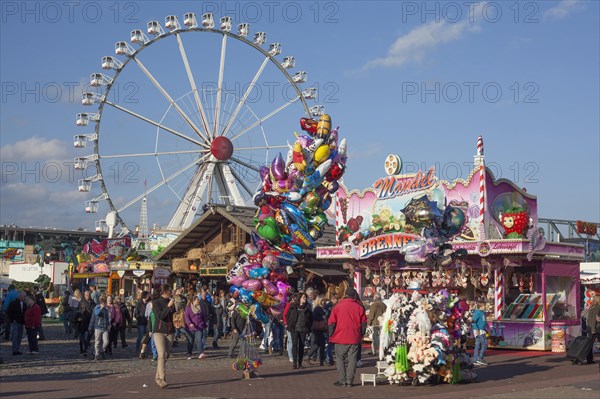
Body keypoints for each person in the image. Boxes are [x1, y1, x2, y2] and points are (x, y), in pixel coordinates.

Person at [328, 287, 367, 387]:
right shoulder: (359, 307)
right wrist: (361, 334)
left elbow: (331, 322)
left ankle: (342, 380)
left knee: (340, 359)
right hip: (354, 337)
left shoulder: (338, 306)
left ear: (345, 294)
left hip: (340, 336)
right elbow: (363, 323)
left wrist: (331, 334)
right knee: (352, 359)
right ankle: (349, 381)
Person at [152, 284, 176, 389]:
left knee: (165, 355)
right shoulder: (156, 302)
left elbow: (175, 315)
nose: (171, 292)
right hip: (159, 331)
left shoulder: (172, 301)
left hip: (170, 331)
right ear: (164, 291)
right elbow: (161, 316)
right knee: (161, 354)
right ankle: (162, 379)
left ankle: (157, 377)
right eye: (170, 290)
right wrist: (168, 306)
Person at [287, 292, 313, 369]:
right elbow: (287, 315)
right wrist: (289, 323)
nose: (305, 299)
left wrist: (309, 325)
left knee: (301, 345)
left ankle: (300, 362)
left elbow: (311, 318)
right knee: (294, 345)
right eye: (303, 297)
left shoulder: (308, 306)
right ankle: (294, 363)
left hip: (303, 328)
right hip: (294, 328)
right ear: (300, 298)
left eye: (305, 297)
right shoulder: (293, 305)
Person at [184, 295, 207, 360]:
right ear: (193, 301)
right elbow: (186, 317)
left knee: (199, 340)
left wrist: (204, 324)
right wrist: (190, 324)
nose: (198, 301)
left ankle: (201, 353)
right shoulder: (188, 308)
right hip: (190, 328)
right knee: (190, 341)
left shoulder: (201, 307)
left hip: (199, 327)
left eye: (198, 300)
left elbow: (203, 316)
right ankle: (189, 354)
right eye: (197, 300)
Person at [306, 296, 327, 366]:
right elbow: (314, 317)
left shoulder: (322, 308)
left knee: (321, 344)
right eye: (323, 301)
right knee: (318, 344)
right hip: (317, 328)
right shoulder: (317, 308)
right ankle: (309, 356)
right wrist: (322, 318)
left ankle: (321, 360)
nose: (324, 302)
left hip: (320, 329)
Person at [89, 295, 110, 361]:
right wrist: (101, 308)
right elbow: (97, 314)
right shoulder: (97, 307)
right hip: (98, 327)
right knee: (97, 342)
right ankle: (97, 354)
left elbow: (107, 318)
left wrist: (109, 325)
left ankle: (101, 351)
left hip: (105, 327)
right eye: (104, 302)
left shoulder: (106, 309)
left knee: (106, 341)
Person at [75, 290, 93, 356]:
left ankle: (85, 350)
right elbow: (77, 312)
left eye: (88, 295)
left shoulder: (92, 302)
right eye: (86, 295)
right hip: (81, 323)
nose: (87, 296)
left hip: (88, 323)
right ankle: (81, 349)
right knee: (81, 339)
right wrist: (77, 319)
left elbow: (92, 313)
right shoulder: (81, 302)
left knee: (86, 338)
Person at [7, 291, 26, 355]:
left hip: (21, 322)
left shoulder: (24, 304)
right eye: (24, 296)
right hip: (15, 322)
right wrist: (12, 320)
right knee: (15, 336)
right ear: (20, 296)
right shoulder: (13, 303)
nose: (24, 297)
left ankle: (17, 349)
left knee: (19, 336)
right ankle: (14, 350)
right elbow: (9, 312)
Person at [472, 302, 489, 366]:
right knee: (485, 343)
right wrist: (477, 329)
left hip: (481, 330)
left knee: (477, 344)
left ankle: (475, 359)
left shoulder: (482, 313)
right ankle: (479, 358)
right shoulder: (478, 313)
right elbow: (473, 321)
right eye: (484, 306)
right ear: (481, 306)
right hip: (479, 330)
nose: (485, 307)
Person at [585, 295, 600, 364]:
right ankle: (589, 359)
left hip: (589, 327)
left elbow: (590, 318)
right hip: (595, 328)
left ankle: (589, 359)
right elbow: (594, 319)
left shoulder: (591, 307)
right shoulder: (597, 308)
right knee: (591, 344)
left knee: (590, 344)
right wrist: (593, 329)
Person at [283, 293, 298, 363]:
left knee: (294, 341)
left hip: (296, 325)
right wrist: (286, 323)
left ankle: (294, 355)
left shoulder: (298, 305)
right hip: (289, 325)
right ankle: (290, 356)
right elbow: (285, 314)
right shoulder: (289, 305)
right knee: (290, 340)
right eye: (294, 298)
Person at [134, 291, 150, 356]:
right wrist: (139, 318)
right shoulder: (139, 303)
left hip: (147, 322)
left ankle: (147, 350)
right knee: (140, 336)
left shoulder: (149, 303)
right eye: (148, 295)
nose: (149, 296)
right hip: (141, 322)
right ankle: (137, 349)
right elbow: (136, 313)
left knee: (148, 336)